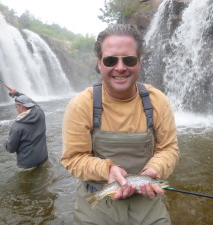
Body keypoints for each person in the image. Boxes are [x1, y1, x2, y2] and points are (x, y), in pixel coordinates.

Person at [61, 24, 179, 225]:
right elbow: (73, 159)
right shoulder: (81, 105)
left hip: (146, 199)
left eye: (129, 60)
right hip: (97, 197)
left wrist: (153, 171)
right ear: (100, 64)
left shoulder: (158, 101)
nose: (120, 67)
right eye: (110, 60)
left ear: (139, 63)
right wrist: (107, 170)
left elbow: (168, 149)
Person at [4, 88, 48, 171]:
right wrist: (17, 93)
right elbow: (33, 102)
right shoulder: (40, 112)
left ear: (21, 106)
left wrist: (6, 141)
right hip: (43, 158)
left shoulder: (17, 126)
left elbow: (10, 149)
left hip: (27, 165)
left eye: (16, 107)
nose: (16, 109)